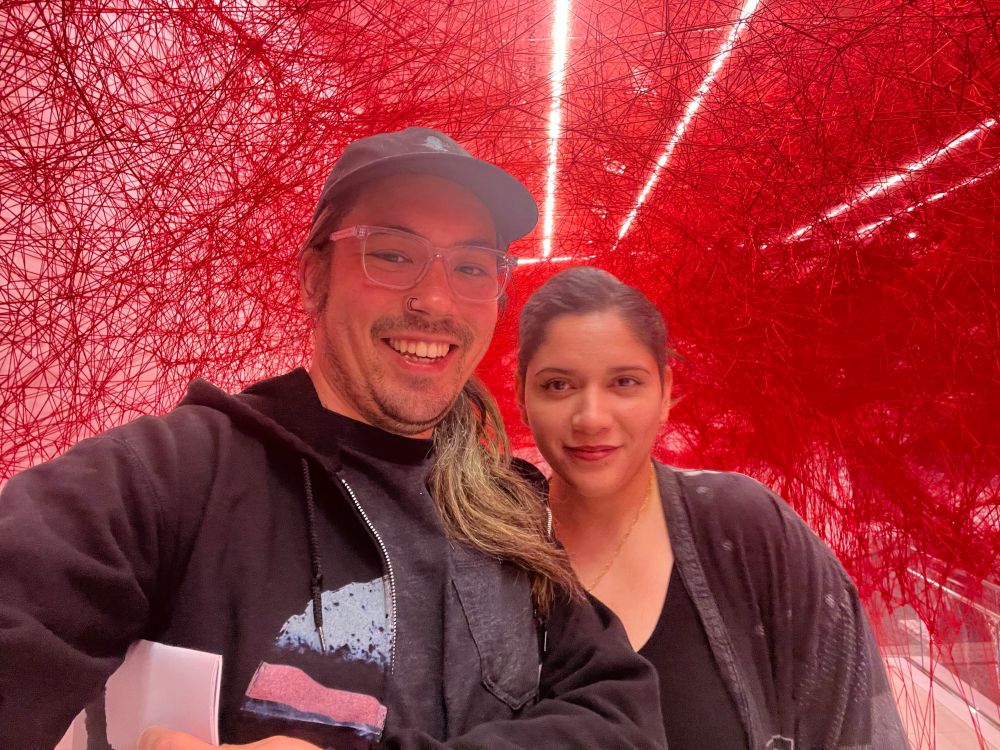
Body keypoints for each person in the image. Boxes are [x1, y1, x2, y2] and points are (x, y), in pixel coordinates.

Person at [0, 129, 667, 750]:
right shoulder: (177, 475)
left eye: (470, 267)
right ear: (314, 277)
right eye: (393, 254)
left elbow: (620, 715)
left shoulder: (510, 506)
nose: (435, 301)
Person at [515, 266, 910, 750]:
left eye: (624, 382)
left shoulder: (747, 531)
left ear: (665, 394)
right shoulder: (487, 552)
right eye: (558, 385)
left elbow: (854, 724)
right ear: (521, 397)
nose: (591, 418)